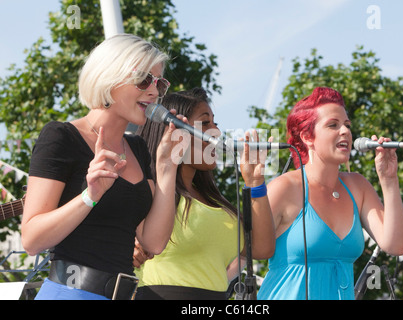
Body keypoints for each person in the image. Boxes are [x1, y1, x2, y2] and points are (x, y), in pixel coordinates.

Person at [21, 33, 184, 300]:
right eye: (144, 79)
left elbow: (153, 242)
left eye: (160, 83)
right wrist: (90, 195)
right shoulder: (61, 136)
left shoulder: (139, 149)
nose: (154, 92)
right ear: (110, 77)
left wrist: (167, 167)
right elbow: (32, 239)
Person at [257, 87, 403, 300]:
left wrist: (389, 180)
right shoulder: (283, 188)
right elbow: (243, 254)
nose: (345, 131)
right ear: (307, 136)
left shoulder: (358, 186)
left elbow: (395, 244)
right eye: (333, 125)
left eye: (347, 125)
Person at [133, 88, 275, 300]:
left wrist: (256, 183)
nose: (216, 131)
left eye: (215, 123)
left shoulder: (215, 202)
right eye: (205, 123)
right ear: (173, 129)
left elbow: (262, 249)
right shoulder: (149, 189)